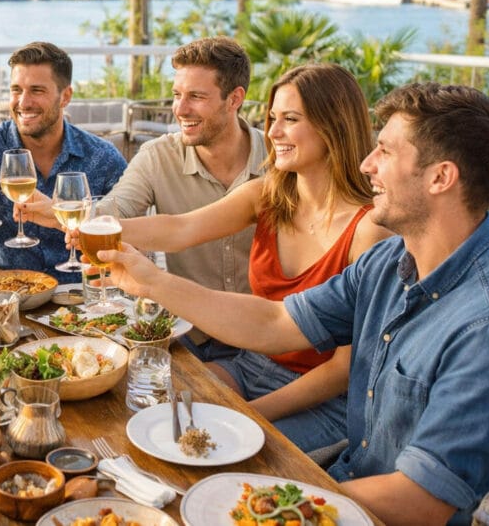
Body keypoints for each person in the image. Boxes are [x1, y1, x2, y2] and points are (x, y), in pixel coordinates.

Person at [99, 82, 489, 526]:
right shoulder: (391, 262)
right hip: (343, 485)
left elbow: (420, 501)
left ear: (440, 177)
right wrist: (152, 282)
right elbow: (275, 320)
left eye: (386, 152)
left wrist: (261, 501)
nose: (367, 164)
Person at [106, 64, 390, 451]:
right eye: (273, 118)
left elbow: (343, 370)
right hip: (251, 365)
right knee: (151, 412)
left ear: (333, 127)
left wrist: (247, 412)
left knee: (212, 446)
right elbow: (180, 228)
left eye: (290, 119)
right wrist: (92, 228)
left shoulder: (369, 232)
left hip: (324, 400)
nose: (272, 133)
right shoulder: (268, 195)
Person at [107, 36, 268, 361]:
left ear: (235, 98)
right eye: (177, 95)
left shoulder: (278, 161)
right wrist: (65, 215)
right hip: (189, 340)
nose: (179, 110)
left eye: (196, 96)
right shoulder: (157, 156)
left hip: (268, 342)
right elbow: (113, 210)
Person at [0, 41, 128, 280]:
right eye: (16, 90)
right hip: (2, 289)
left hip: (78, 297)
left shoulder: (103, 157)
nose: (23, 102)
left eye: (37, 90)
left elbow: (128, 231)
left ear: (65, 96)